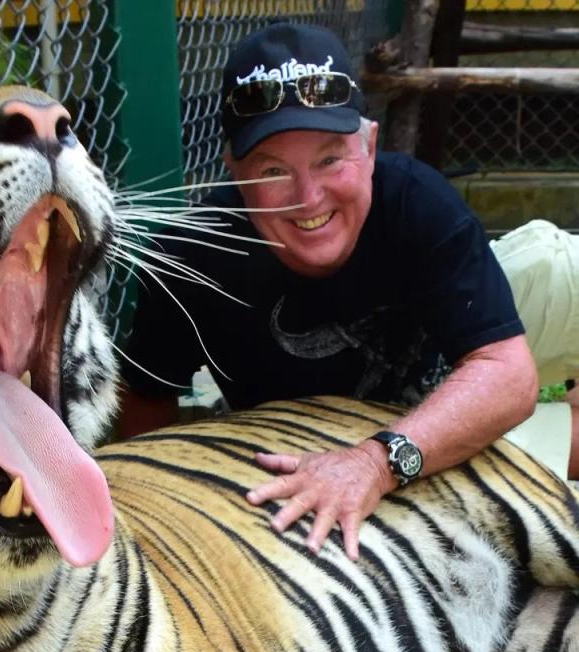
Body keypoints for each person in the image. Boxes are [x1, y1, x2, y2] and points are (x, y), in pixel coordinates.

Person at [117, 23, 579, 561]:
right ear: (235, 174)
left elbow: (506, 371)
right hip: (330, 442)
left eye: (330, 158)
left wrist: (376, 462)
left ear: (370, 146)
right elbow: (145, 400)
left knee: (554, 262)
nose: (308, 197)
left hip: (447, 384)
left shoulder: (414, 197)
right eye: (273, 169)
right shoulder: (194, 255)